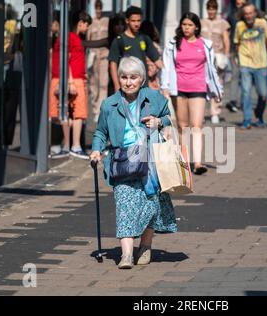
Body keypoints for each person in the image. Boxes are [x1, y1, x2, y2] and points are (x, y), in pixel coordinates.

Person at [90, 57, 177, 269]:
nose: (128, 82)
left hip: (150, 160)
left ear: (142, 79)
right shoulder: (109, 104)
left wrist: (159, 121)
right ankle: (126, 255)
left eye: (133, 77)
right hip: (122, 162)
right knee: (125, 206)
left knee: (151, 204)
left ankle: (145, 247)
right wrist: (95, 150)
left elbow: (168, 118)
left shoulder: (154, 98)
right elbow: (101, 132)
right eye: (124, 77)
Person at [161, 12, 222, 175]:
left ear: (196, 27)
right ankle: (184, 163)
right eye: (184, 24)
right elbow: (166, 66)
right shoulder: (173, 43)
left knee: (197, 125)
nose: (186, 28)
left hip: (198, 88)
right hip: (178, 89)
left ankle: (198, 163)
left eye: (190, 25)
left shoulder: (205, 44)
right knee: (183, 127)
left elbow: (212, 69)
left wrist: (217, 89)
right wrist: (164, 86)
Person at [49, 10, 92, 159]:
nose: (87, 28)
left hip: (68, 79)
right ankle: (74, 145)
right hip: (73, 80)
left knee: (66, 112)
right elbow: (65, 60)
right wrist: (71, 80)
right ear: (81, 23)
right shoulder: (71, 38)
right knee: (77, 113)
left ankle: (69, 145)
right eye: (87, 25)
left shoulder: (66, 38)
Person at [234, 3, 267, 129]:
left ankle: (259, 115)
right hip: (245, 62)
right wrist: (235, 57)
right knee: (246, 92)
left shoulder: (262, 23)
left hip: (261, 63)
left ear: (255, 13)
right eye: (246, 13)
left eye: (251, 13)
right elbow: (236, 43)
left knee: (263, 93)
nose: (248, 16)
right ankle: (246, 119)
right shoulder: (239, 26)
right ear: (243, 15)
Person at [108, 6, 163, 93]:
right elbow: (113, 64)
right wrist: (116, 86)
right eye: (133, 21)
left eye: (138, 21)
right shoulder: (119, 40)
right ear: (127, 21)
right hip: (127, 86)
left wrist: (170, 73)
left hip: (143, 86)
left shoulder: (145, 38)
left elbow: (157, 60)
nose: (136, 24)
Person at [201, 0, 231, 125]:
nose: (211, 11)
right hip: (203, 57)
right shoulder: (201, 22)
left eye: (213, 8)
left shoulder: (223, 23)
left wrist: (227, 55)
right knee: (202, 86)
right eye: (209, 8)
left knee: (217, 84)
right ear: (207, 9)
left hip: (218, 56)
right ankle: (201, 113)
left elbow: (226, 39)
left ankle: (215, 112)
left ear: (216, 9)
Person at [87, 0, 110, 123]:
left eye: (100, 8)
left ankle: (101, 110)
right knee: (94, 83)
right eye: (97, 8)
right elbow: (88, 39)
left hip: (104, 56)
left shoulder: (106, 21)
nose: (99, 11)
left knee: (103, 83)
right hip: (94, 56)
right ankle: (95, 108)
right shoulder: (91, 23)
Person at [225, 0, 246, 113]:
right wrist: (227, 49)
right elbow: (227, 32)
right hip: (235, 49)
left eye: (242, 4)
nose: (240, 7)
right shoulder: (232, 15)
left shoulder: (249, 16)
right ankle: (233, 101)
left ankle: (244, 101)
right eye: (238, 4)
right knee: (235, 75)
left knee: (245, 76)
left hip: (248, 50)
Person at [140, 20, 163, 90]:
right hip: (153, 85)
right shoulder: (156, 47)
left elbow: (151, 72)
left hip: (148, 84)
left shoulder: (143, 45)